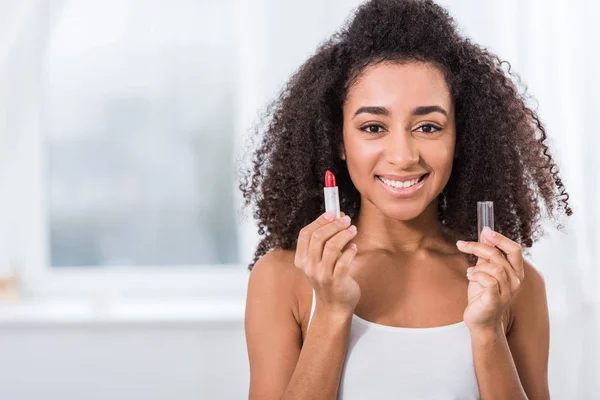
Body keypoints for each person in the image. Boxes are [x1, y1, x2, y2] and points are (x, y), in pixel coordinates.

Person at [239, 0, 572, 398]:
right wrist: (330, 309)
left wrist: (487, 332)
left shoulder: (512, 284)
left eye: (428, 126)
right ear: (338, 140)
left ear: (460, 139)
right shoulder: (284, 278)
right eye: (374, 126)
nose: (403, 156)